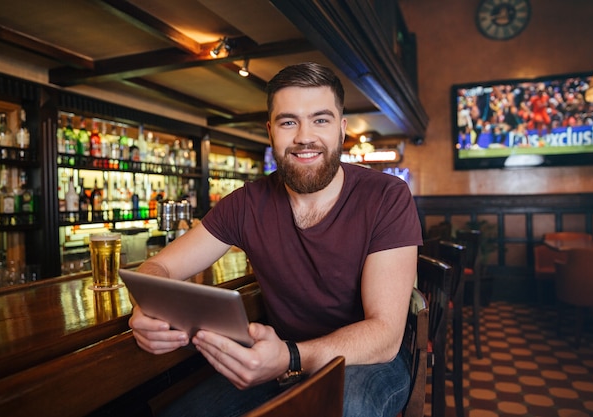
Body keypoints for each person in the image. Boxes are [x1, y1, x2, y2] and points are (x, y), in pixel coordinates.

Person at [129, 62, 423, 417]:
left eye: (320, 119)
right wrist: (146, 306)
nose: (304, 136)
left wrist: (291, 356)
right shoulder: (245, 203)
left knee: (344, 409)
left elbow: (385, 335)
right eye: (288, 122)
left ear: (341, 129)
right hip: (278, 357)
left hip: (370, 361)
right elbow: (158, 266)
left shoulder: (386, 196)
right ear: (270, 131)